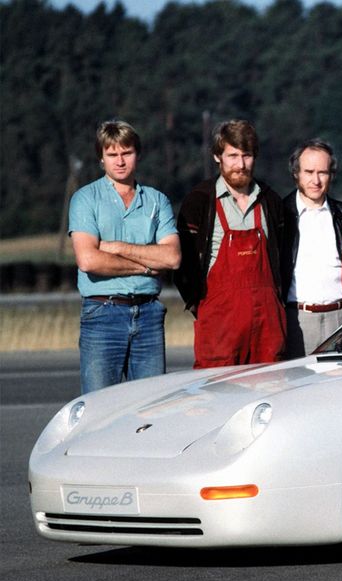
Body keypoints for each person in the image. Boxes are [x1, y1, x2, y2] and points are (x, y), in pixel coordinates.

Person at [68, 119, 180, 394]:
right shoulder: (85, 199)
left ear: (137, 154)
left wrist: (117, 247)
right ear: (101, 158)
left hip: (149, 313)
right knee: (98, 408)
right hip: (102, 312)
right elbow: (89, 261)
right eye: (112, 154)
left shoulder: (157, 200)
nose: (120, 161)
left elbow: (172, 258)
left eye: (126, 153)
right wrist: (145, 266)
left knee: (149, 406)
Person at [174, 119, 287, 368]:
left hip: (266, 328)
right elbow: (182, 265)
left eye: (246, 156)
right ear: (217, 157)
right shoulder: (200, 201)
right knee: (217, 396)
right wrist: (199, 305)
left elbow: (284, 260)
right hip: (219, 327)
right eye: (232, 155)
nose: (240, 164)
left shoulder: (271, 201)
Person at [281, 139, 342, 357]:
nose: (316, 180)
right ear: (296, 173)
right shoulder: (280, 215)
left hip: (341, 319)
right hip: (298, 319)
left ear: (331, 174)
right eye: (309, 172)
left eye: (322, 172)